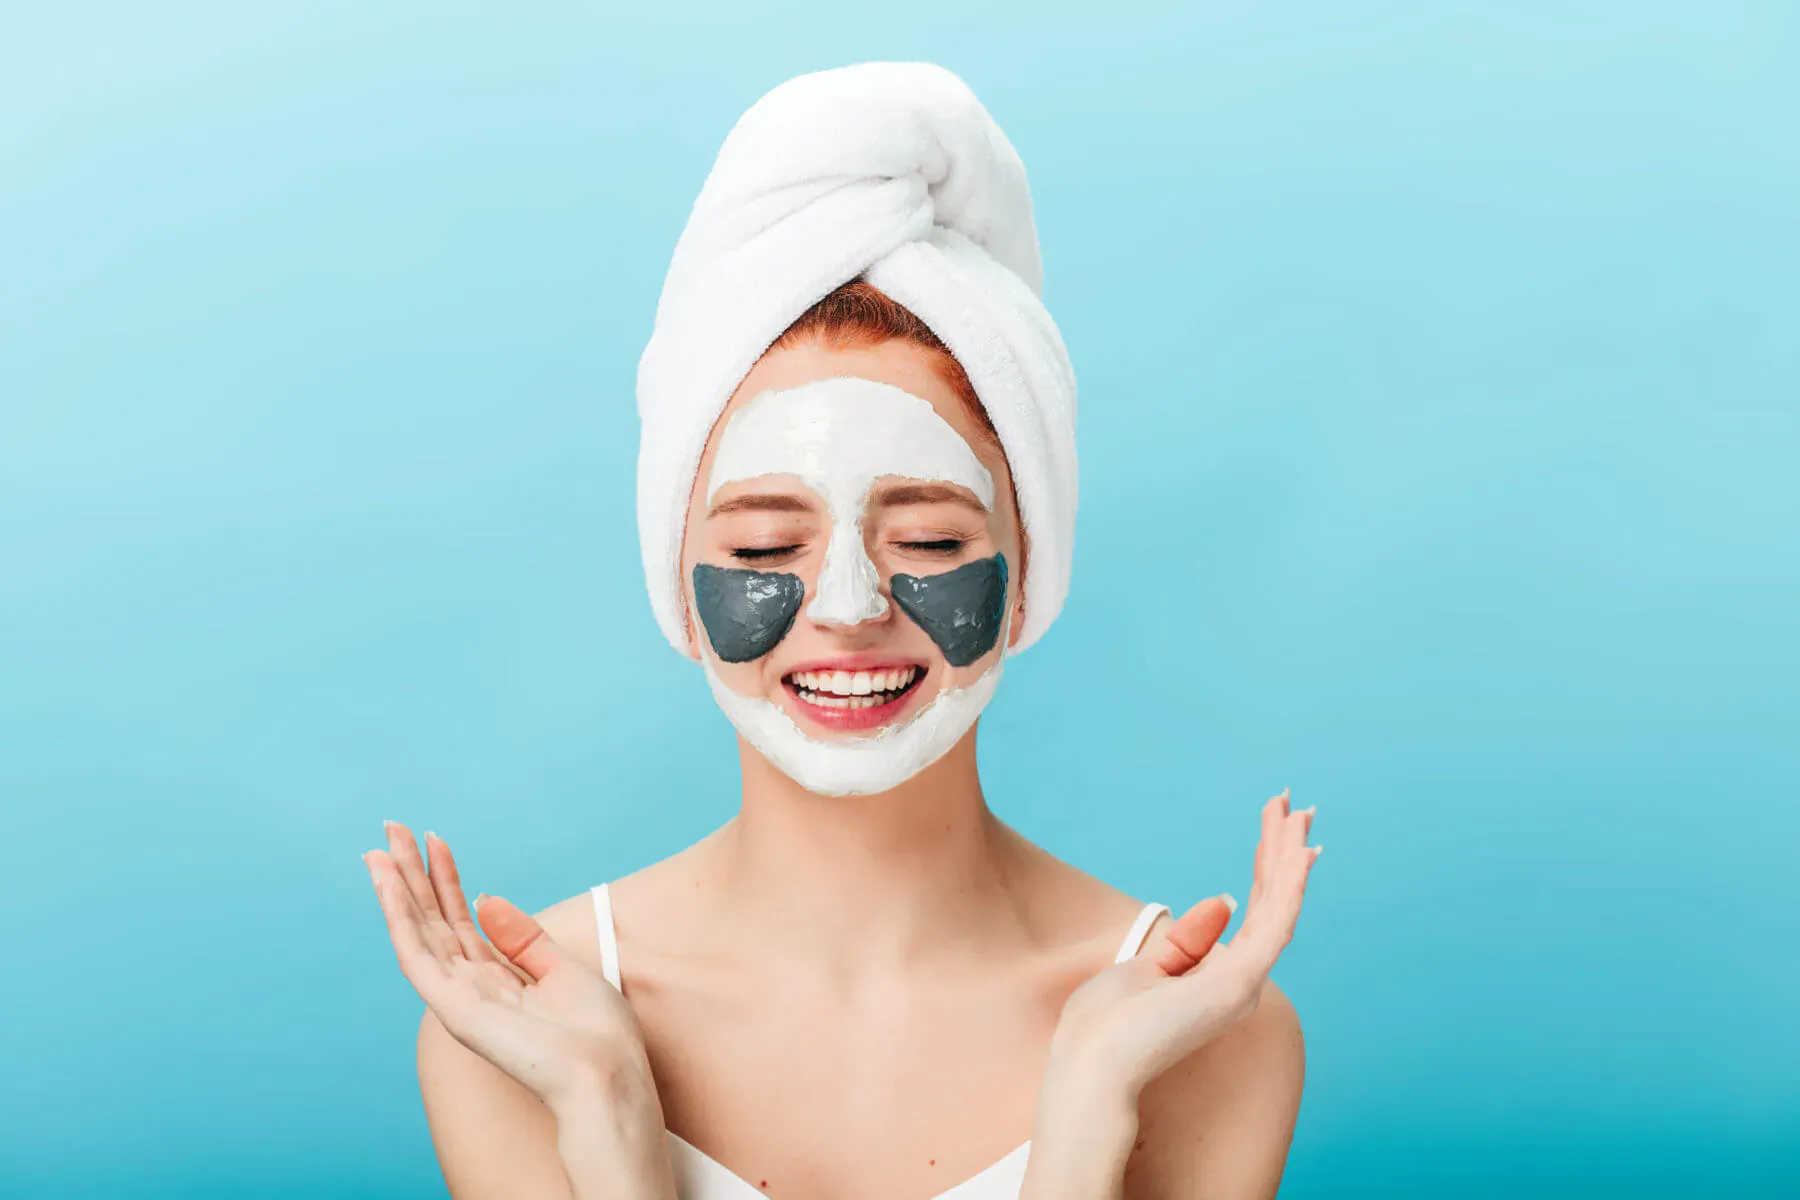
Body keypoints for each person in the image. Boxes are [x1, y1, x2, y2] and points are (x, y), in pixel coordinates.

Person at [364, 62, 1321, 1200]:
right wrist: (610, 1116)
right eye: (769, 547)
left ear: (1028, 577)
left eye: (927, 541)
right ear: (680, 584)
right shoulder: (525, 1028)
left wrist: (1089, 1114)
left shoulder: (1195, 1031)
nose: (852, 606)